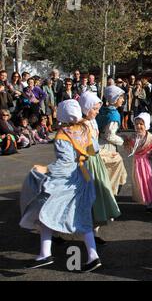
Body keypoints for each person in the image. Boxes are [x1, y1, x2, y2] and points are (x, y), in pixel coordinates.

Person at [19, 100, 102, 272]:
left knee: (46, 211)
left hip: (67, 181)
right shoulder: (86, 129)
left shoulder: (63, 134)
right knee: (81, 215)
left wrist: (45, 168)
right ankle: (88, 256)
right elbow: (94, 150)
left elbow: (64, 165)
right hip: (84, 176)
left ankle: (47, 254)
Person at [79, 92, 121, 245]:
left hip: (95, 160)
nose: (97, 112)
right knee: (88, 197)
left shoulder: (92, 121)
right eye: (95, 109)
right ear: (86, 108)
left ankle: (94, 231)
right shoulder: (81, 124)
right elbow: (85, 145)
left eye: (98, 109)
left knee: (99, 195)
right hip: (87, 163)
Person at [124, 113, 152, 214]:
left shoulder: (150, 138)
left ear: (146, 125)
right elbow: (130, 149)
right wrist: (126, 142)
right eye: (136, 124)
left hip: (148, 163)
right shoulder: (133, 137)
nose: (138, 126)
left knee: (149, 182)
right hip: (138, 163)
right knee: (141, 182)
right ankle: (147, 201)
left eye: (141, 124)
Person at [96, 85, 128, 196]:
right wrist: (124, 141)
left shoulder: (102, 110)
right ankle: (109, 200)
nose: (123, 100)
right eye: (121, 97)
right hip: (107, 147)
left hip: (99, 143)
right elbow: (109, 136)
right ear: (114, 99)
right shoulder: (114, 114)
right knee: (113, 175)